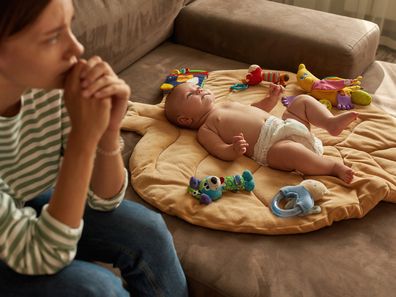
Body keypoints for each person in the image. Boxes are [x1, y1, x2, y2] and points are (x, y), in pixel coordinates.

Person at [0, 1, 188, 296]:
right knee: (97, 289)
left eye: (69, 26)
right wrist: (82, 140)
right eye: (52, 37)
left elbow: (105, 200)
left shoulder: (49, 89)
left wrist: (107, 131)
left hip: (20, 197)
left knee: (148, 231)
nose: (76, 48)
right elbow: (42, 253)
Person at [165, 82, 358, 184]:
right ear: (185, 120)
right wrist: (233, 149)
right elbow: (219, 150)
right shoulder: (206, 129)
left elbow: (255, 109)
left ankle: (330, 123)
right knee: (290, 151)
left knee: (301, 101)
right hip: (270, 147)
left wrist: (271, 100)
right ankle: (332, 168)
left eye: (196, 87)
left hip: (284, 125)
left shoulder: (224, 102)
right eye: (191, 94)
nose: (198, 89)